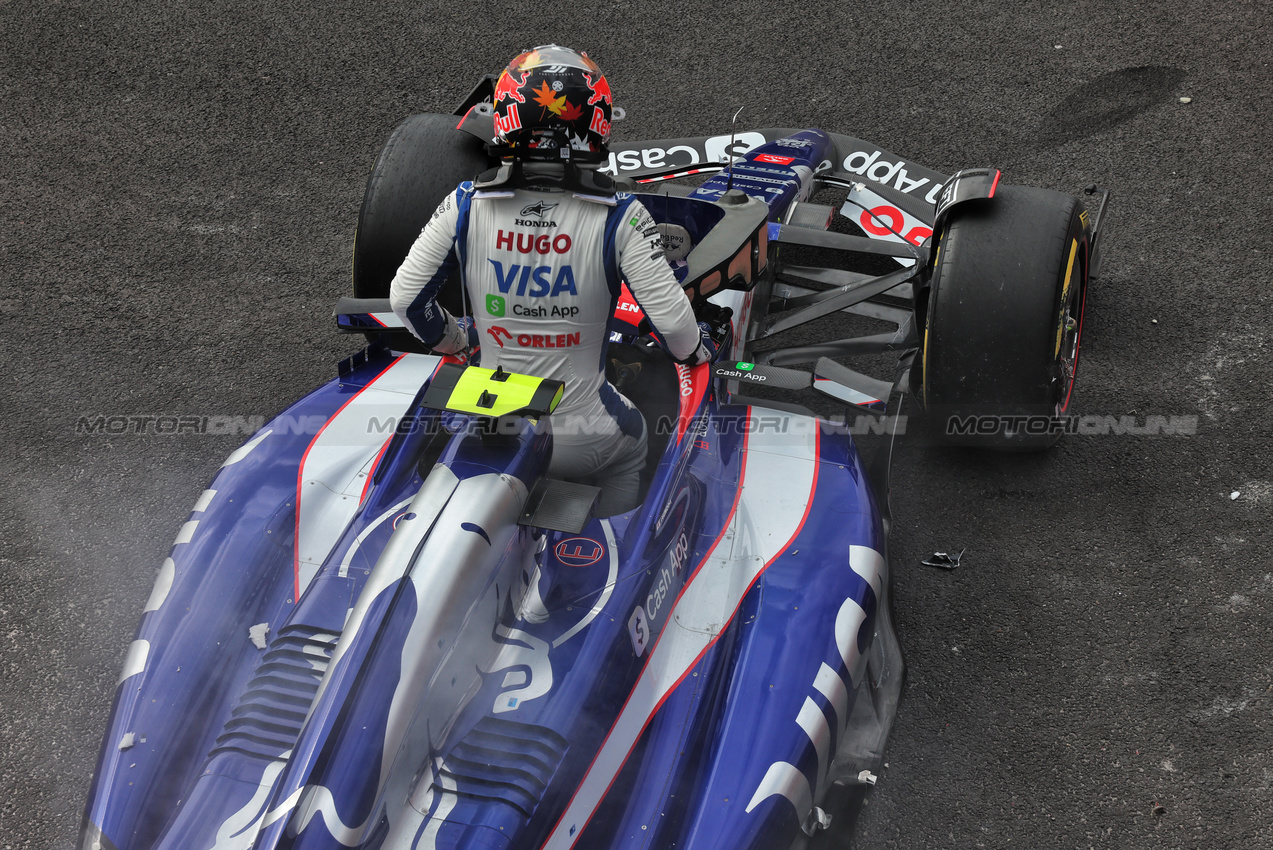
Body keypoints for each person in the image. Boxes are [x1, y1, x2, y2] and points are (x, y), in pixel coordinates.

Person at [390, 44, 722, 515]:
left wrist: (452, 340)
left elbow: (405, 299)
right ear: (598, 123)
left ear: (505, 116)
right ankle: (604, 534)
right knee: (634, 441)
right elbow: (676, 329)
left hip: (487, 420)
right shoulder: (622, 216)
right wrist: (701, 350)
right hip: (582, 438)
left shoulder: (464, 201)